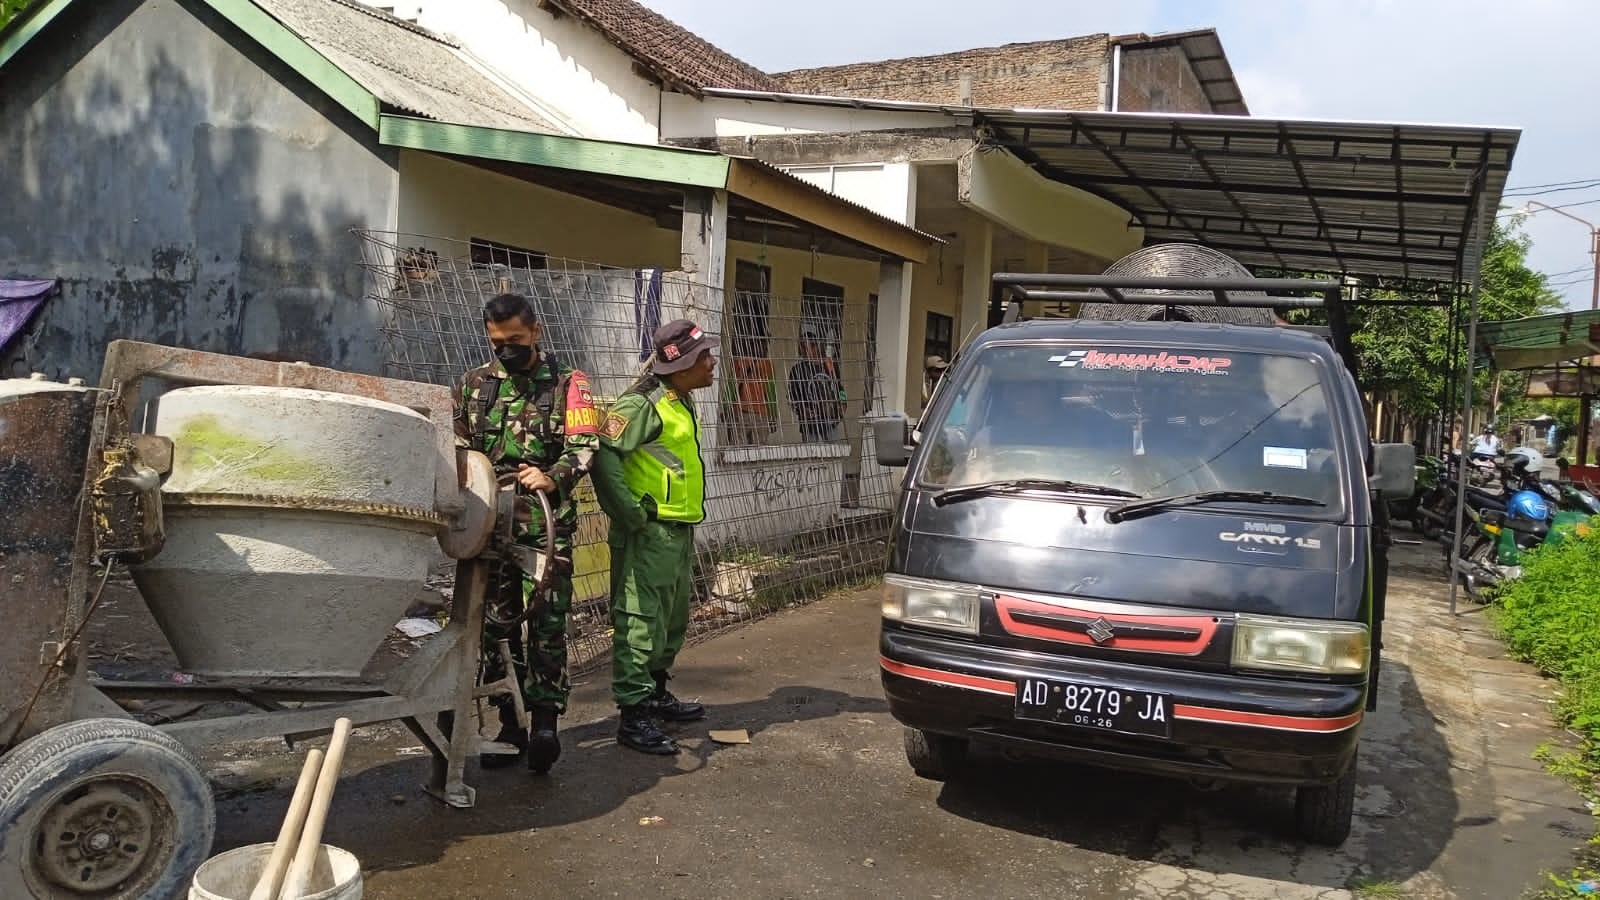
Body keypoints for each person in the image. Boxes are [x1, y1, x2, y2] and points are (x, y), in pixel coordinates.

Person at [452, 292, 599, 775]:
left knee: (548, 622)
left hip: (543, 525)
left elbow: (584, 445)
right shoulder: (473, 386)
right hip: (489, 526)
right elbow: (457, 447)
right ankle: (509, 719)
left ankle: (544, 721)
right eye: (497, 342)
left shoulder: (569, 384)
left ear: (535, 332)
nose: (506, 350)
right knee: (496, 624)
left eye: (515, 340)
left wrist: (554, 474)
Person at [593, 319, 718, 755]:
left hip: (677, 532)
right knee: (640, 622)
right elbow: (604, 453)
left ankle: (656, 694)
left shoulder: (679, 401)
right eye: (704, 358)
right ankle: (633, 716)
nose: (712, 364)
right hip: (647, 533)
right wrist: (629, 513)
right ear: (681, 365)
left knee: (671, 620)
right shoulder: (640, 404)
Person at [787, 328, 845, 442]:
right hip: (809, 424)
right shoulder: (797, 370)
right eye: (801, 347)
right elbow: (791, 397)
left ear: (815, 347)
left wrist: (843, 402)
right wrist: (802, 410)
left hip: (830, 421)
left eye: (804, 347)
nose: (801, 351)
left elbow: (840, 388)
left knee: (835, 452)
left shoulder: (829, 365)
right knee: (810, 455)